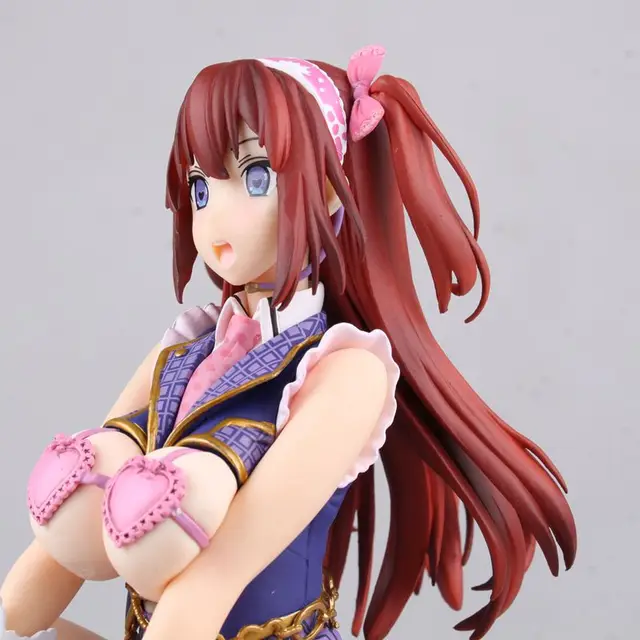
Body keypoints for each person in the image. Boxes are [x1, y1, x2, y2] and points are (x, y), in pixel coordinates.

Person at [0, 45, 577, 640]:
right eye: (200, 187)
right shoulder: (188, 348)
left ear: (327, 191)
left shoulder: (343, 372)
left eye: (255, 177)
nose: (213, 221)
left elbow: (218, 575)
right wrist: (52, 557)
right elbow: (90, 486)